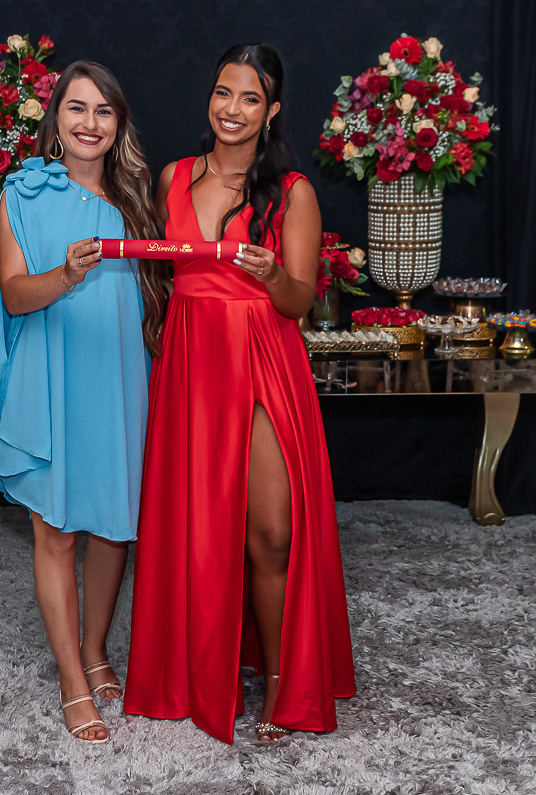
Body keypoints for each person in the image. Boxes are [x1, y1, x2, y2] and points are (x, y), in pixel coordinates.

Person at [123, 43, 356, 744]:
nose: (232, 109)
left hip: (261, 356)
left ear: (271, 110)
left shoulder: (293, 192)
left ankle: (282, 678)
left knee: (272, 532)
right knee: (197, 530)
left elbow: (299, 300)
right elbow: (157, 273)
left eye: (250, 98)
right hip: (192, 363)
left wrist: (268, 274)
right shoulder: (173, 177)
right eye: (224, 93)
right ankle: (202, 670)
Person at [0, 61, 159, 745]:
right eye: (76, 108)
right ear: (56, 118)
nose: (89, 122)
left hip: (119, 373)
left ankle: (97, 648)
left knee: (113, 524)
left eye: (104, 111)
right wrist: (67, 273)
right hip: (51, 372)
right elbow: (13, 295)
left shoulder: (138, 195)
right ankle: (72, 677)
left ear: (118, 125)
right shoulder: (22, 192)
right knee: (56, 531)